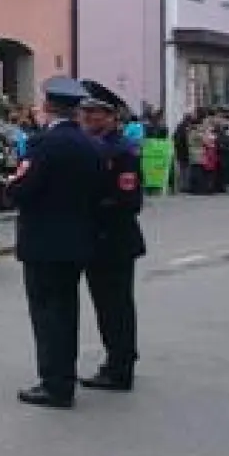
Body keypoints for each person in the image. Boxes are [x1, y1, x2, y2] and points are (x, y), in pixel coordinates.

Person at [2, 77, 104, 409]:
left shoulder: (43, 144)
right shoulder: (90, 145)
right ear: (76, 109)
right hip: (77, 242)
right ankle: (65, 378)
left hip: (43, 243)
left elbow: (23, 189)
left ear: (48, 106)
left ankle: (54, 383)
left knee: (46, 316)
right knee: (67, 311)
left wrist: (6, 189)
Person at [78, 87, 143, 392]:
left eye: (96, 113)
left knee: (114, 306)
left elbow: (128, 200)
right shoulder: (98, 146)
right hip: (100, 239)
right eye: (86, 112)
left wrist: (90, 209)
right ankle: (121, 356)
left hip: (113, 240)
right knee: (110, 306)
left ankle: (119, 368)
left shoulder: (121, 151)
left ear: (112, 117)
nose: (89, 118)